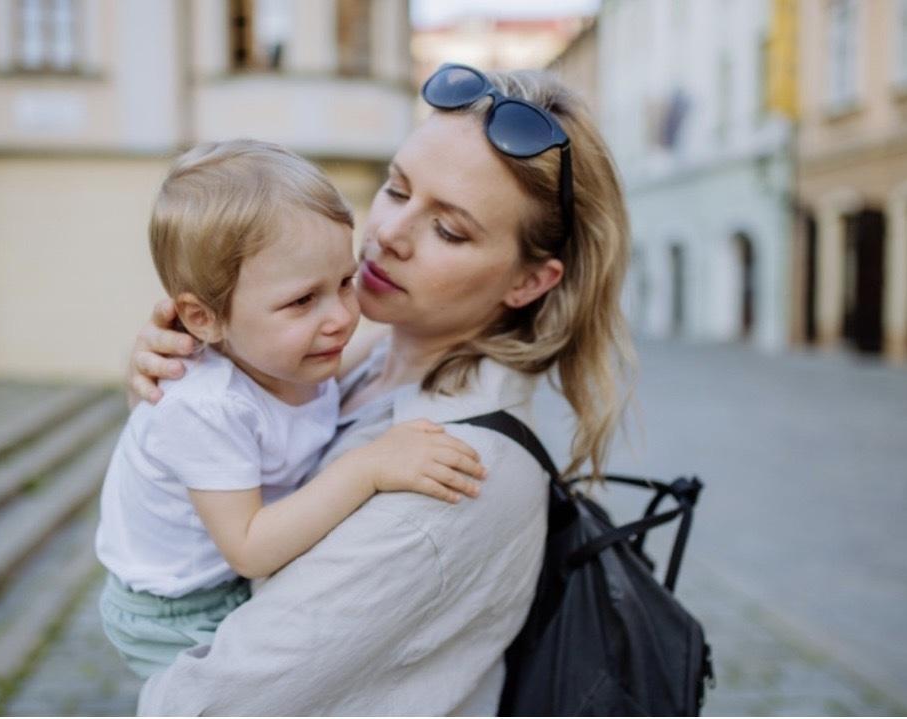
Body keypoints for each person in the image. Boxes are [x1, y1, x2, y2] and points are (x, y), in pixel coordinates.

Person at [126, 64, 635, 715]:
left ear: (529, 282)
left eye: (449, 230)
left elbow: (202, 704)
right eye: (396, 189)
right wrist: (183, 373)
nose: (388, 234)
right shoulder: (365, 353)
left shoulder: (446, 477)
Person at [95, 139, 487, 679]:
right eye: (303, 301)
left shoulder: (293, 359)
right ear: (204, 319)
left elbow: (369, 353)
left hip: (224, 585)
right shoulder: (208, 407)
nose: (340, 319)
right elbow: (251, 549)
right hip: (172, 613)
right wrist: (370, 466)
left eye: (345, 283)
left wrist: (452, 330)